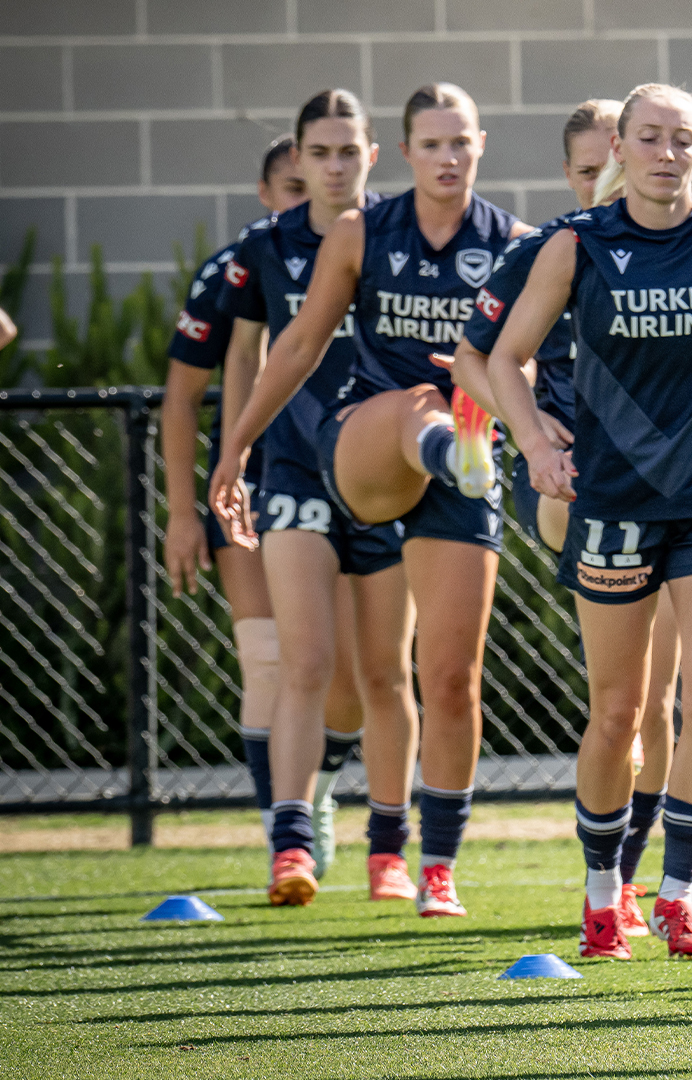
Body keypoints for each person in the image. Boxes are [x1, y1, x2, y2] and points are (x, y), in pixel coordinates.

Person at [212, 82, 534, 918]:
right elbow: (299, 344)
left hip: (465, 464)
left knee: (450, 676)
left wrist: (533, 432)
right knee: (417, 406)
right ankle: (292, 835)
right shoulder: (361, 232)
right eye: (431, 143)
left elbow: (525, 364)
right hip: (362, 440)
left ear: (482, 144)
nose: (449, 157)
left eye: (461, 141)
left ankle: (432, 865)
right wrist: (238, 443)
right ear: (405, 154)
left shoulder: (513, 244)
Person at [482, 83, 692, 961]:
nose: (666, 153)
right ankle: (604, 890)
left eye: (683, 138)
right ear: (622, 151)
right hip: (612, 507)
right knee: (619, 712)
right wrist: (534, 441)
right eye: (649, 137)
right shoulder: (579, 244)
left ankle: (679, 893)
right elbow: (502, 356)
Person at [216, 91, 418, 906]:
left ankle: (390, 852)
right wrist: (233, 453)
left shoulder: (400, 237)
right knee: (303, 660)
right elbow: (248, 356)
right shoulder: (264, 248)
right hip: (294, 471)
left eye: (349, 151)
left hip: (385, 479)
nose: (334, 165)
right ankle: (290, 844)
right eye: (319, 152)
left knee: (384, 674)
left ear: (374, 157)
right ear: (295, 160)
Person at [160, 137, 306, 852]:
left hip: (342, 480)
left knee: (339, 670)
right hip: (247, 482)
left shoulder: (367, 252)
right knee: (268, 658)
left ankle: (317, 786)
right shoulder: (234, 268)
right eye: (291, 187)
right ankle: (285, 828)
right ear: (265, 193)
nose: (306, 199)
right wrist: (180, 511)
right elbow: (182, 397)